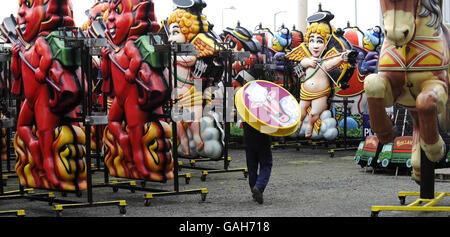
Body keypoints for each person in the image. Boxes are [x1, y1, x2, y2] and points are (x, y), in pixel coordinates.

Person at [243, 122, 273, 204]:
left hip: (248, 136)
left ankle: (254, 189)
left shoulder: (245, 108)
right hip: (263, 135)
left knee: (252, 166)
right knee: (266, 164)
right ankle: (259, 187)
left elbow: (232, 116)